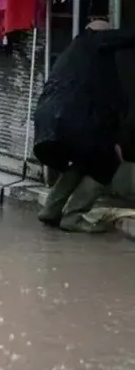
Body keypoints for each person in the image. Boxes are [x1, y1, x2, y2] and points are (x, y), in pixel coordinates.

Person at [33, 20, 135, 232]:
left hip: (48, 123)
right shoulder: (91, 42)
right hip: (72, 121)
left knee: (83, 159)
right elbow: (109, 105)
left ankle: (51, 209)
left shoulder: (74, 57)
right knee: (107, 163)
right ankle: (74, 215)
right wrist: (115, 140)